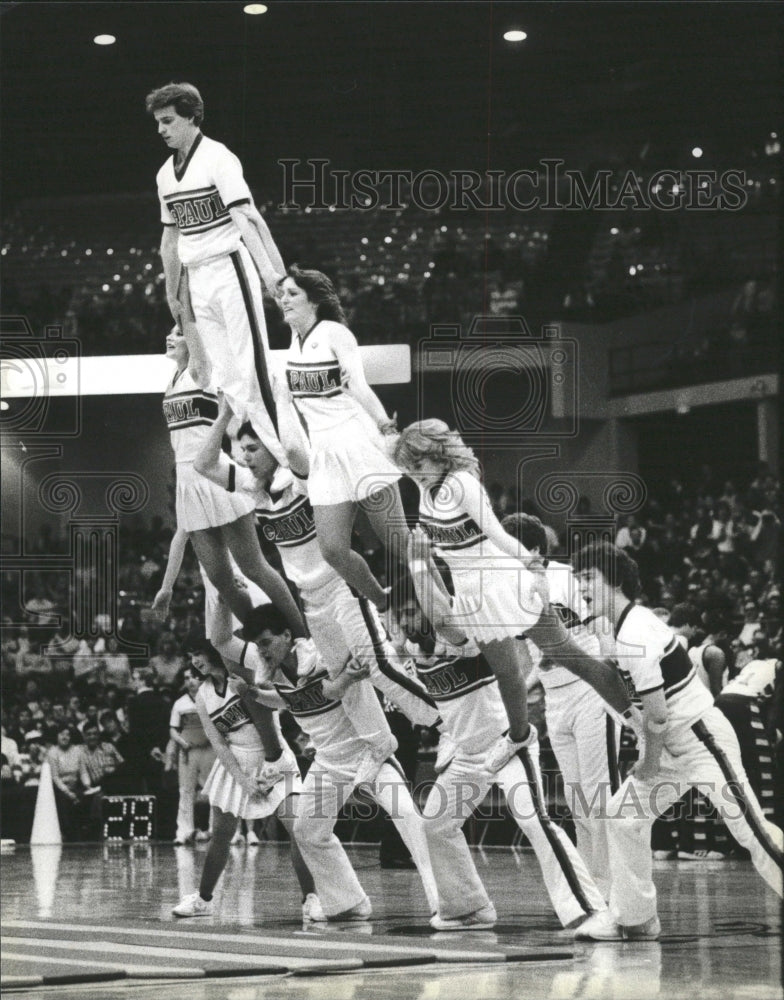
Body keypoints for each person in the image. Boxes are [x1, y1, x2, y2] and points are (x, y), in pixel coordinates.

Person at [192, 389, 441, 774]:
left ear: (271, 446)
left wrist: (281, 399)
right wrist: (224, 416)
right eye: (242, 450)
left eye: (252, 448)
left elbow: (292, 450)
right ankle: (380, 744)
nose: (244, 457)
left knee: (377, 667)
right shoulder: (252, 489)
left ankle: (442, 721)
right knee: (347, 676)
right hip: (311, 601)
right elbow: (204, 463)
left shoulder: (303, 476)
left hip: (345, 586)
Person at [394, 420, 633, 774]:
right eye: (409, 470)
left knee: (570, 656)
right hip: (472, 593)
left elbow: (498, 535)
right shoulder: (426, 491)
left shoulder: (462, 483)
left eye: (419, 466)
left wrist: (534, 569)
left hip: (503, 582)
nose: (416, 475)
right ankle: (519, 736)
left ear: (438, 454)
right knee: (507, 673)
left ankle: (636, 717)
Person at [573, 542, 783, 942]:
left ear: (614, 582)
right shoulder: (617, 627)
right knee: (623, 816)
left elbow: (658, 713)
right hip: (669, 743)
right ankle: (635, 919)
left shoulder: (636, 629)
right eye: (577, 578)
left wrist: (648, 762)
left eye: (588, 578)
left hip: (701, 738)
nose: (580, 587)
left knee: (750, 830)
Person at [400, 530, 607, 930]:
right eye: (402, 614)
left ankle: (587, 908)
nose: (408, 621)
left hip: (506, 743)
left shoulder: (461, 629)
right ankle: (468, 908)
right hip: (466, 753)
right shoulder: (410, 647)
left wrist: (419, 561)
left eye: (413, 612)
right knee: (436, 824)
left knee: (534, 820)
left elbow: (441, 611)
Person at [231, 602, 439, 921]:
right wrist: (254, 696)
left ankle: (445, 903)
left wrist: (346, 678)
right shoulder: (270, 669)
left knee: (408, 819)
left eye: (266, 642)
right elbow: (288, 701)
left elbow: (332, 688)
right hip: (328, 763)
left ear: (288, 635)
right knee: (308, 831)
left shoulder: (318, 653)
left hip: (367, 755)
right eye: (258, 645)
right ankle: (348, 903)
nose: (262, 650)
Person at [146, 81, 285, 463]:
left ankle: (293, 461)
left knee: (254, 368)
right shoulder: (163, 175)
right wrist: (172, 292)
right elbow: (169, 240)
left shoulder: (219, 158)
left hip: (230, 267)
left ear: (192, 116)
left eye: (168, 120)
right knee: (229, 379)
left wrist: (273, 274)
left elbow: (246, 216)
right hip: (196, 275)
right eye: (158, 122)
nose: (161, 129)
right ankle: (268, 464)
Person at [502, 513, 623, 898]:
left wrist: (611, 667)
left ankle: (615, 887)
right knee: (577, 799)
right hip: (556, 699)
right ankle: (593, 887)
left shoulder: (568, 579)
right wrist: (521, 688)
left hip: (591, 692)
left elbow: (603, 624)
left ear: (534, 550)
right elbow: (533, 656)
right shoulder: (511, 590)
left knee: (598, 793)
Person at [155, 325, 306, 633]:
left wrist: (182, 292)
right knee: (219, 578)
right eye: (170, 332)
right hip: (186, 479)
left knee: (254, 567)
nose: (170, 337)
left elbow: (193, 320)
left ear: (193, 341)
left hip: (212, 471)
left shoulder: (200, 372)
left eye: (178, 333)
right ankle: (264, 640)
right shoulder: (171, 381)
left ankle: (302, 635)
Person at [171, 625, 324, 923]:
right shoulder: (202, 695)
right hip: (237, 765)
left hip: (276, 758)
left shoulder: (245, 673)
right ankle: (203, 899)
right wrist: (243, 780)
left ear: (214, 650)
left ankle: (311, 898)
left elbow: (281, 703)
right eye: (191, 657)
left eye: (198, 654)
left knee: (299, 831)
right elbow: (218, 742)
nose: (195, 662)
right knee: (221, 836)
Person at [279, 265, 404, 610]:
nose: (283, 301)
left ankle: (448, 607)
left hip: (357, 442)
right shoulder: (294, 340)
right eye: (282, 294)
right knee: (332, 550)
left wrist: (386, 428)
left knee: (399, 541)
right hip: (323, 452)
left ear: (314, 300)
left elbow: (358, 385)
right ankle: (384, 603)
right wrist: (250, 221)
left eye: (292, 294)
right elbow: (269, 270)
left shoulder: (335, 333)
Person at [169, 665, 216, 845]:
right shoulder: (179, 703)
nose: (190, 681)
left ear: (201, 679)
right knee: (186, 791)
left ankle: (214, 830)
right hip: (188, 752)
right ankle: (184, 831)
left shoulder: (211, 700)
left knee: (213, 791)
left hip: (210, 750)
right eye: (187, 678)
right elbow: (173, 730)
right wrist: (182, 743)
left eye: (193, 677)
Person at [47, 725, 83, 841]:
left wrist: (88, 785)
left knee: (86, 796)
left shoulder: (77, 750)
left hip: (76, 785)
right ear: (57, 736)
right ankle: (68, 834)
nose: (65, 737)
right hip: (60, 787)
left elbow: (83, 772)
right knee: (64, 800)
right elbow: (55, 777)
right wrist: (68, 792)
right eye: (62, 734)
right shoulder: (52, 752)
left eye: (67, 734)